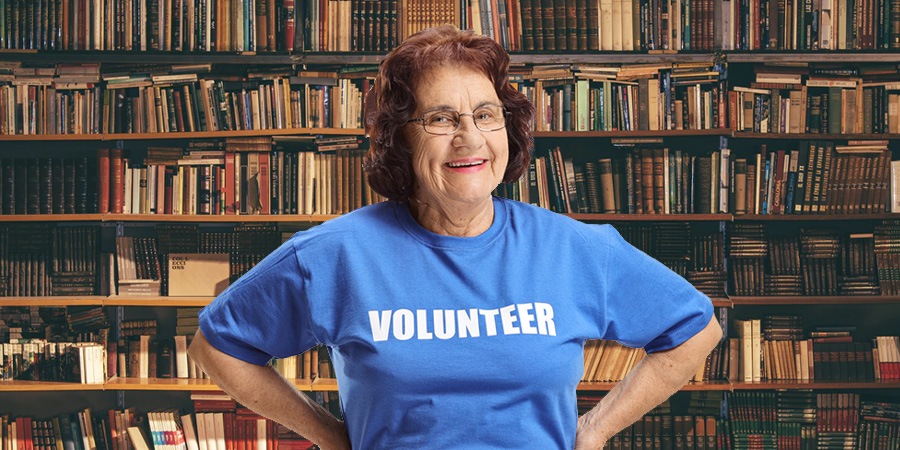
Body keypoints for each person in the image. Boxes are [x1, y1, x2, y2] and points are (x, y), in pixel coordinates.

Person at [188, 25, 722, 450]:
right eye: (442, 118)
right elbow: (219, 347)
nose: (470, 137)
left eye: (486, 115)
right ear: (400, 139)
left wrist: (596, 429)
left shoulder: (576, 249)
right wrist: (330, 436)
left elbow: (695, 331)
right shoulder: (333, 256)